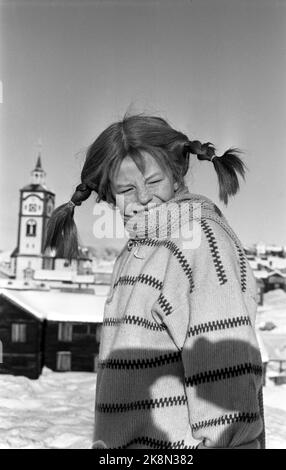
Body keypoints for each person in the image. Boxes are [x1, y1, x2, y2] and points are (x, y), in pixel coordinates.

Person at [44, 113, 265, 449]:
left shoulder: (199, 242)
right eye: (127, 189)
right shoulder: (139, 249)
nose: (143, 198)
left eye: (153, 181)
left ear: (177, 175)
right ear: (108, 195)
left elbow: (226, 377)